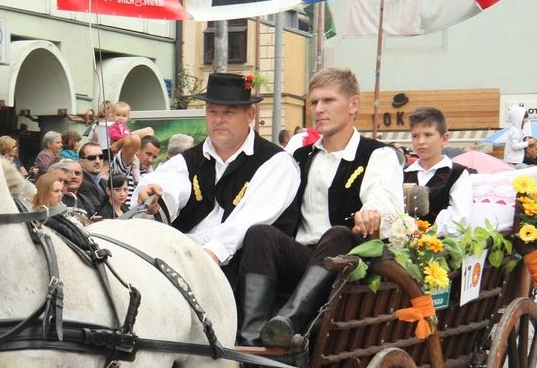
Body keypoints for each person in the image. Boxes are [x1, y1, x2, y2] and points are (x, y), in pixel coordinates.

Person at [238, 68, 403, 347]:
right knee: (259, 234)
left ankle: (287, 322)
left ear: (353, 105)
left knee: (337, 233)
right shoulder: (298, 156)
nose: (319, 109)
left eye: (328, 101)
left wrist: (370, 212)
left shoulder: (377, 155)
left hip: (348, 264)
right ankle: (250, 339)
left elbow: (384, 202)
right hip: (304, 258)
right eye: (314, 102)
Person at [134, 72, 299, 286]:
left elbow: (250, 219)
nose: (218, 120)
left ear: (250, 114)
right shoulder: (190, 159)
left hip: (241, 271)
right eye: (212, 112)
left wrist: (210, 255)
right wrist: (153, 196)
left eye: (228, 112)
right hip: (182, 262)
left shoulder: (276, 162)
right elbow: (169, 184)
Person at [402, 106, 472, 235]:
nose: (421, 141)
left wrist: (423, 232)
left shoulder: (457, 174)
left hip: (440, 249)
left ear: (444, 138)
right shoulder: (403, 174)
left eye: (428, 135)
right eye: (415, 136)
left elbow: (459, 221)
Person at [113, 135, 161, 203]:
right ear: (137, 150)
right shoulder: (126, 166)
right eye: (148, 154)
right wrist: (116, 145)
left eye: (154, 157)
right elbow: (134, 139)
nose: (151, 160)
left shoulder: (151, 173)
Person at [76, 142, 108, 215]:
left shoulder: (104, 182)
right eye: (92, 158)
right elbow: (98, 209)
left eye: (101, 157)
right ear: (81, 162)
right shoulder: (80, 182)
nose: (97, 161)